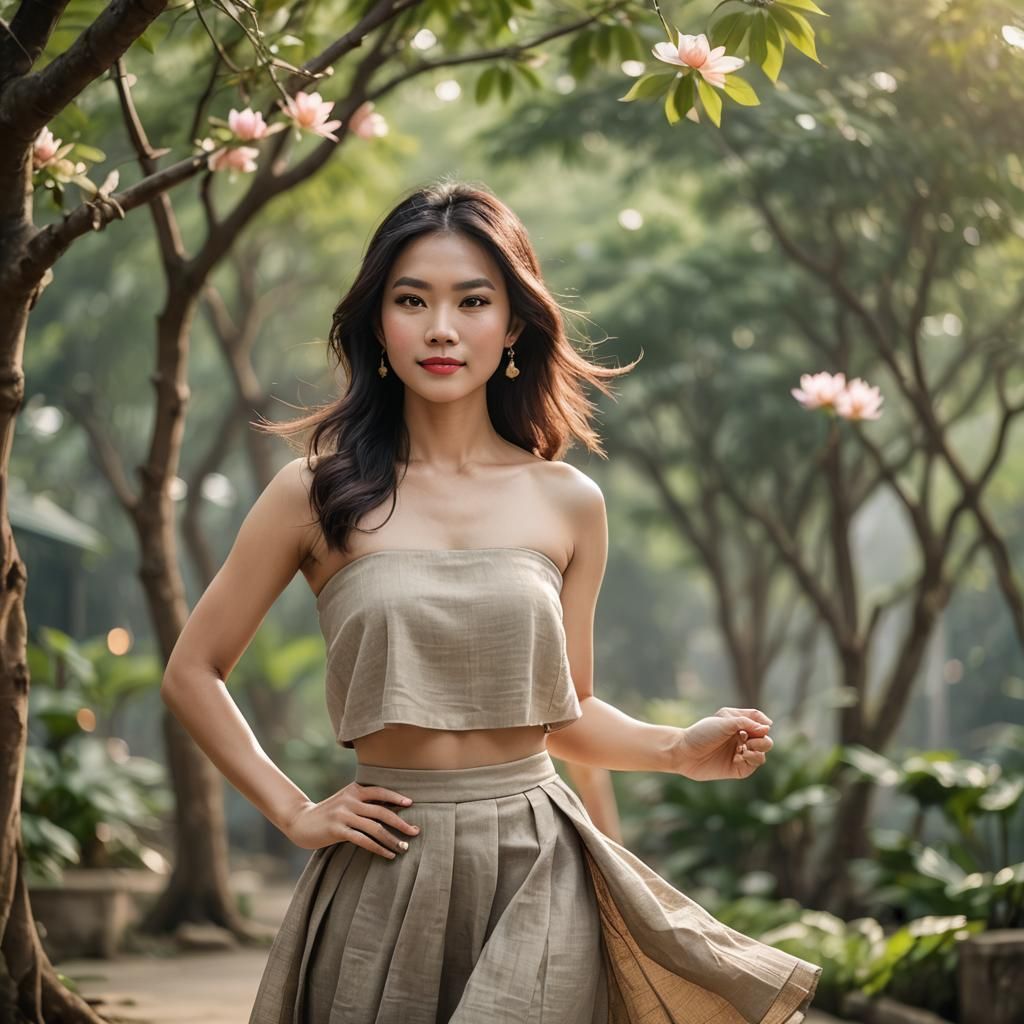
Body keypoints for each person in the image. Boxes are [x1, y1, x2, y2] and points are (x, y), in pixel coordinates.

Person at [161, 179, 823, 1023]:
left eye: (473, 301)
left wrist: (676, 749)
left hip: (538, 862)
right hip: (384, 861)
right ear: (377, 323)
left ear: (512, 325)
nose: (441, 327)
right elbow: (193, 671)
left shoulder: (569, 500)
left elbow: (566, 708)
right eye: (412, 300)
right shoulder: (315, 493)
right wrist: (294, 810)